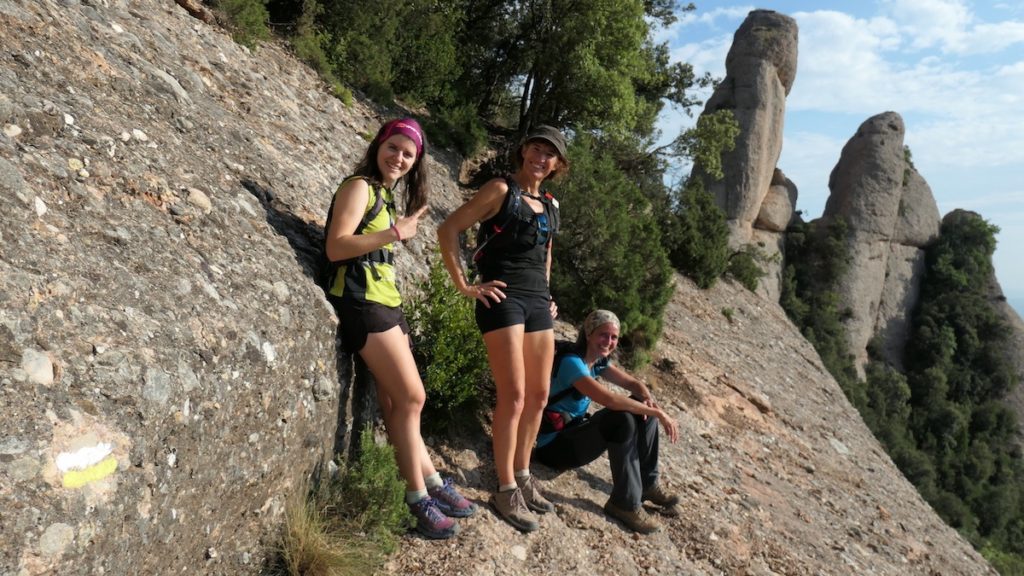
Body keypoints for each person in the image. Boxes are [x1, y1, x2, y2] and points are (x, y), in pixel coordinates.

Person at [324, 117, 475, 539]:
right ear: (378, 145)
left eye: (408, 154)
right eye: (394, 148)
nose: (399, 158)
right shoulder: (359, 187)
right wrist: (394, 232)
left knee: (397, 402)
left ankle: (428, 479)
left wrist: (394, 228)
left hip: (388, 306)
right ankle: (416, 497)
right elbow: (337, 246)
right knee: (413, 397)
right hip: (361, 306)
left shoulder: (385, 196)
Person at [437, 125, 568, 532]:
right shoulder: (500, 190)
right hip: (502, 298)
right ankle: (505, 487)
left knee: (540, 394)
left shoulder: (550, 204)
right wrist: (465, 285)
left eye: (550, 154)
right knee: (512, 395)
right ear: (524, 151)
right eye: (536, 148)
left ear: (557, 165)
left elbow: (546, 251)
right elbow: (449, 228)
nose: (540, 157)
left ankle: (524, 475)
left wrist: (547, 292)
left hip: (536, 302)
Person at [533, 309, 681, 534]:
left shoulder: (598, 362)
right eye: (603, 334)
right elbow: (608, 399)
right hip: (552, 448)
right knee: (621, 418)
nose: (609, 341)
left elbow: (633, 384)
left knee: (642, 407)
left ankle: (647, 484)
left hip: (573, 436)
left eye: (614, 337)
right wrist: (659, 414)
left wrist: (648, 400)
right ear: (589, 333)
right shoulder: (572, 362)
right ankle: (624, 504)